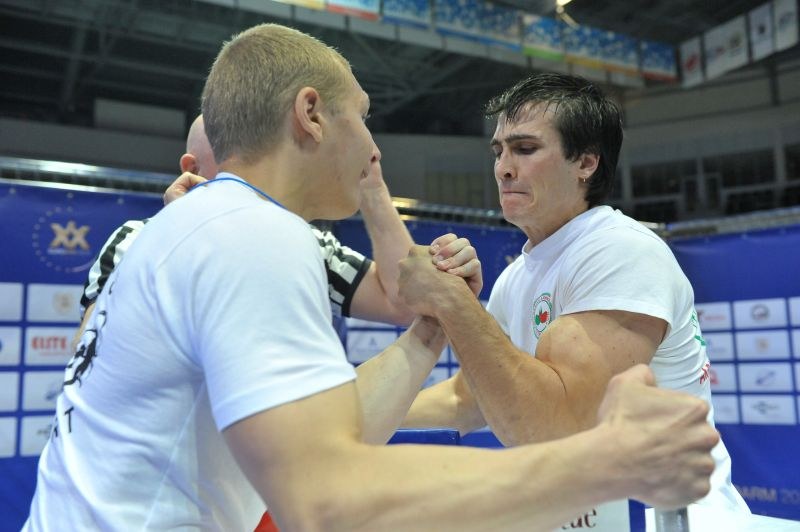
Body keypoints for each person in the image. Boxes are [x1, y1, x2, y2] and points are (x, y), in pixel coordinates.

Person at [24, 24, 719, 531]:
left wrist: (430, 328)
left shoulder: (186, 229)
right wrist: (611, 460)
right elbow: (326, 496)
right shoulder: (252, 234)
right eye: (361, 116)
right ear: (311, 115)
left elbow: (323, 425)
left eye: (524, 148)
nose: (372, 146)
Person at [399, 72, 749, 512]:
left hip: (671, 518)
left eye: (525, 149)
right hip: (588, 516)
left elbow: (560, 427)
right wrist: (345, 421)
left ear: (586, 163)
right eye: (499, 151)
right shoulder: (516, 276)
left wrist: (453, 302)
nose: (503, 168)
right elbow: (463, 400)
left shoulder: (621, 250)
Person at [76, 114, 471, 343]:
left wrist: (371, 187)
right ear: (192, 169)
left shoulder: (304, 245)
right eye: (236, 160)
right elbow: (90, 352)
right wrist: (183, 241)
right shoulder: (136, 239)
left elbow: (402, 302)